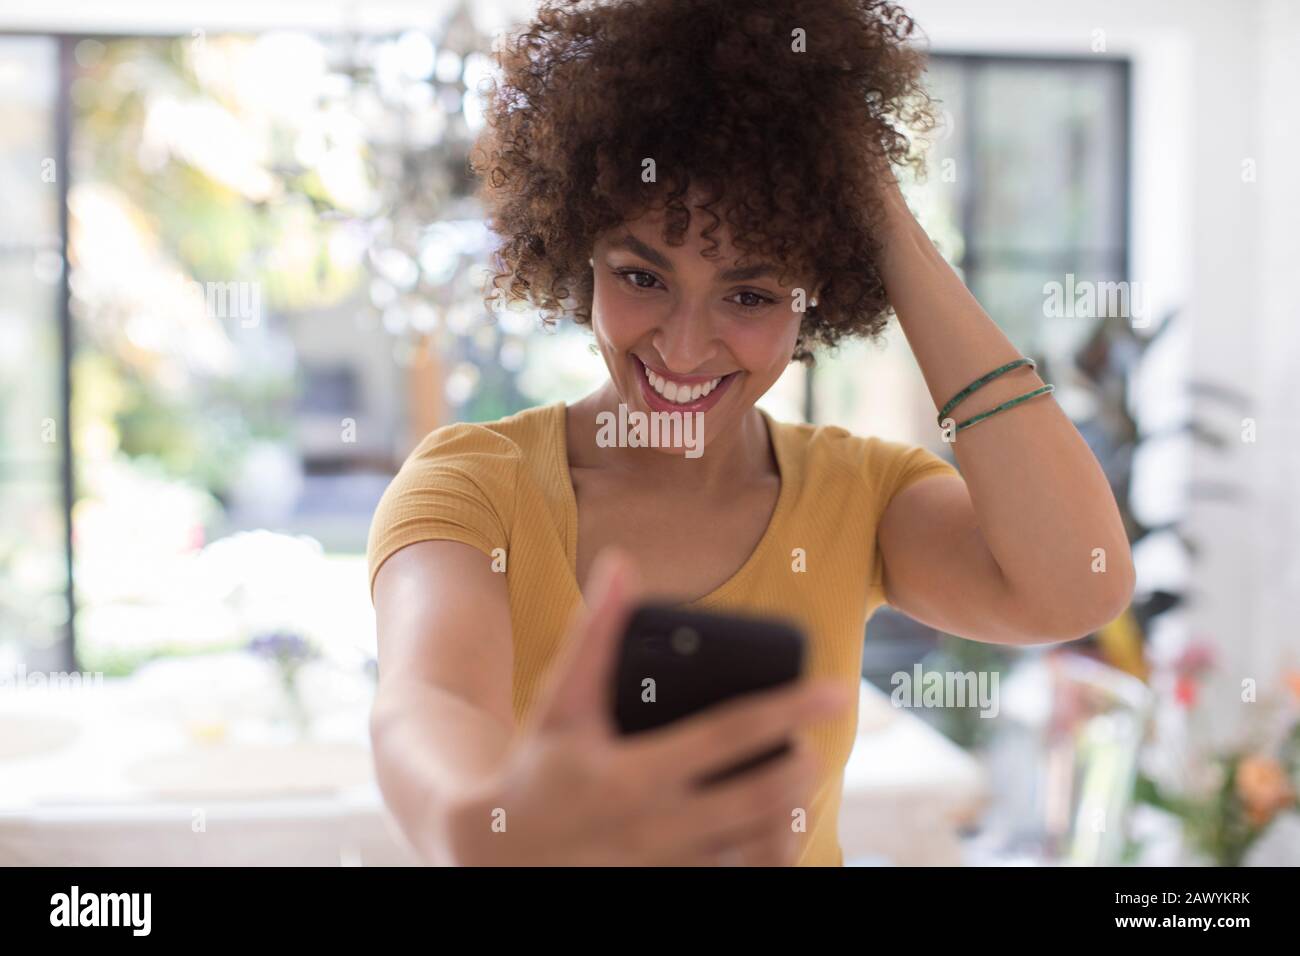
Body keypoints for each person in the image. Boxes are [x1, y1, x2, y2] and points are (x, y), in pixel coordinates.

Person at [366, 0, 1135, 866]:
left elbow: (1082, 586)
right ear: (577, 252)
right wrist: (483, 822)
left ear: (818, 298)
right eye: (640, 275)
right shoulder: (475, 484)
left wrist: (870, 201)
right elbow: (426, 703)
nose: (685, 347)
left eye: (751, 294)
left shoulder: (860, 495)